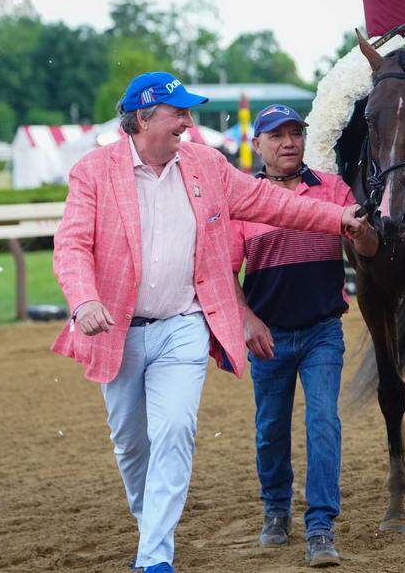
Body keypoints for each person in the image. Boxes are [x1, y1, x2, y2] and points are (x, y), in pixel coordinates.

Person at [51, 74, 366, 573]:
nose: (188, 123)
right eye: (179, 113)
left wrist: (337, 218)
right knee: (132, 445)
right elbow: (70, 245)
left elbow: (271, 202)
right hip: (116, 330)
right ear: (144, 117)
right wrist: (84, 300)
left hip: (184, 324)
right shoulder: (92, 172)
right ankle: (149, 522)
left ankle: (154, 557)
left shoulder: (205, 165)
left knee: (175, 430)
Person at [229, 105, 379, 568]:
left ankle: (320, 526)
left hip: (321, 333)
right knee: (270, 430)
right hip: (268, 337)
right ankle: (276, 509)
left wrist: (362, 231)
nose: (288, 143)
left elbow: (368, 249)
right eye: (276, 136)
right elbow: (222, 271)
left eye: (295, 133)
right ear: (258, 145)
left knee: (323, 424)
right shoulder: (243, 197)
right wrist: (247, 319)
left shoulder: (331, 188)